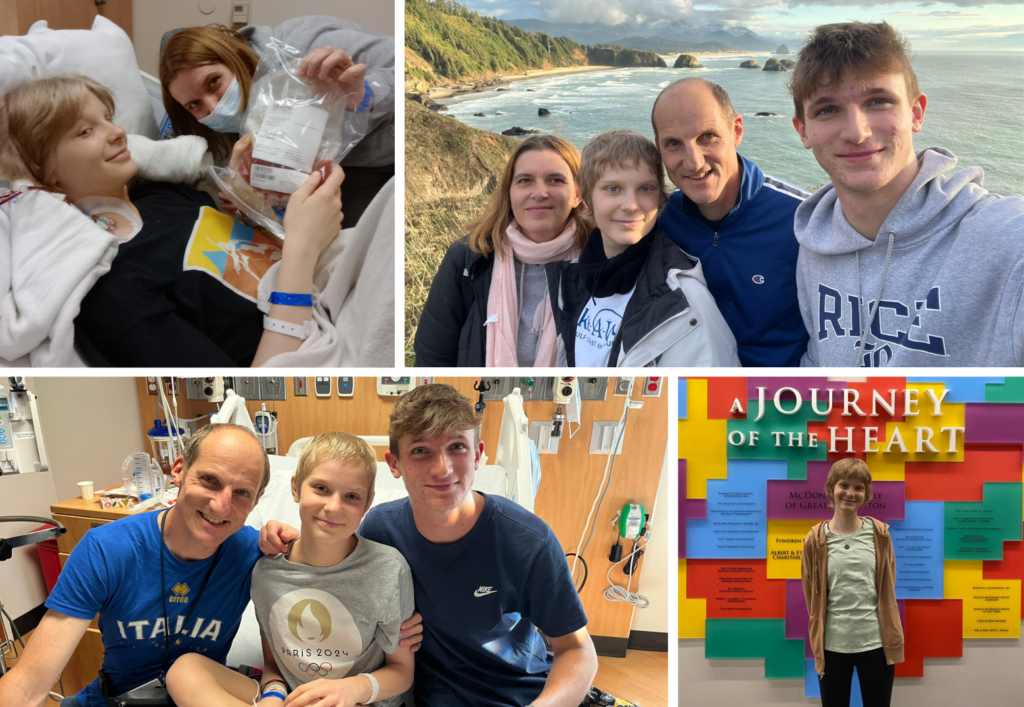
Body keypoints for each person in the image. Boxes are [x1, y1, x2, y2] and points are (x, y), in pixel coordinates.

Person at [0, 75, 344, 367]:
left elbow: (263, 255)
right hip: (318, 349)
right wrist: (302, 246)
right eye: (86, 131)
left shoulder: (167, 196)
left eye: (109, 118)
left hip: (331, 289)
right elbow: (253, 384)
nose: (118, 132)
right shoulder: (113, 292)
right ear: (45, 175)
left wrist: (255, 200)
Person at [789, 21, 1024, 367]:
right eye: (828, 109)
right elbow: (821, 365)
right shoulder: (813, 243)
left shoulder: (1005, 241)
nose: (857, 132)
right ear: (803, 130)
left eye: (878, 101)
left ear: (916, 113)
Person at [0, 424, 283, 707]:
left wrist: (298, 549)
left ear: (257, 500)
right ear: (179, 470)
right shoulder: (107, 550)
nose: (221, 506)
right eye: (209, 479)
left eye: (242, 493)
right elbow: (28, 685)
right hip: (115, 699)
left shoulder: (256, 555)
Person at [359, 384, 598, 707]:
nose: (442, 468)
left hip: (525, 695)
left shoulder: (527, 541)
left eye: (457, 447)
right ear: (394, 463)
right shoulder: (380, 532)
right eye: (420, 450)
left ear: (478, 455)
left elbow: (577, 648)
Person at [165, 432, 415, 707]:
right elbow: (274, 665)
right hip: (288, 698)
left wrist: (351, 690)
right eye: (321, 488)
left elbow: (402, 673)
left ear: (367, 504)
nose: (333, 507)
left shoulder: (388, 570)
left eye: (352, 496)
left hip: (356, 700)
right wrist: (273, 693)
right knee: (183, 671)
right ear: (295, 488)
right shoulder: (266, 574)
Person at [160, 18, 394, 228]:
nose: (214, 107)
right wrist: (249, 208)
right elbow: (268, 210)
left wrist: (365, 95)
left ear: (234, 56)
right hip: (342, 176)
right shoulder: (226, 138)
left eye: (213, 82)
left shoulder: (306, 44)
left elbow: (411, 73)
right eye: (194, 104)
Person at [545, 129, 739, 366]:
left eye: (645, 188)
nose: (630, 205)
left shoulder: (685, 303)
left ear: (660, 199)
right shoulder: (573, 278)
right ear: (586, 199)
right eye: (613, 188)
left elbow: (710, 399)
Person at [653, 77, 810, 367]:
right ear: (658, 148)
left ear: (737, 130)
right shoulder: (658, 221)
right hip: (693, 397)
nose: (694, 162)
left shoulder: (802, 219)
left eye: (707, 137)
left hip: (781, 401)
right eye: (674, 144)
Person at [414, 135, 589, 367]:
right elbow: (433, 357)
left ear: (577, 194)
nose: (539, 192)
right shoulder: (469, 259)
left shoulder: (601, 262)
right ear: (509, 192)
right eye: (525, 180)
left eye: (555, 180)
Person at [801, 458, 904, 707]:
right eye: (844, 485)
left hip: (876, 644)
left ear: (866, 494)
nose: (850, 493)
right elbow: (810, 593)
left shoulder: (880, 534)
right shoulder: (814, 539)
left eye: (859, 487)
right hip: (832, 646)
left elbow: (888, 585)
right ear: (831, 489)